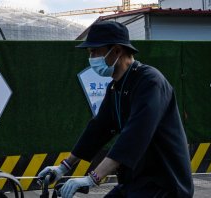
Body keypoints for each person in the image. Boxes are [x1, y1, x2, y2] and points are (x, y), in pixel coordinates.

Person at [38, 21, 194, 198]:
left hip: (164, 185)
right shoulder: (116, 87)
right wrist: (62, 167)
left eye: (95, 51)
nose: (91, 58)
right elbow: (98, 128)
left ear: (117, 51)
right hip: (135, 181)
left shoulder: (150, 82)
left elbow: (134, 135)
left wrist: (92, 178)